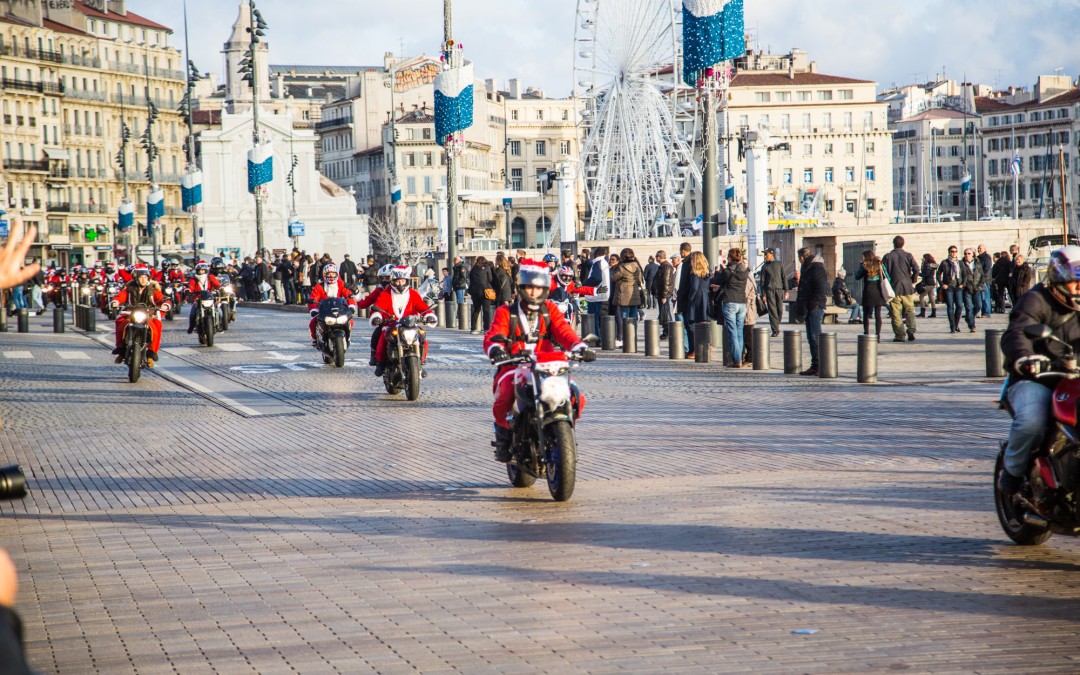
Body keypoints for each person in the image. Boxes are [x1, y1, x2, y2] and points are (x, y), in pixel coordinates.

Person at [483, 259, 593, 462]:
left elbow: (564, 331)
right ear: (521, 287)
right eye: (529, 288)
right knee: (506, 393)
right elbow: (494, 334)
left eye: (538, 288)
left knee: (578, 396)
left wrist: (579, 347)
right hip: (515, 363)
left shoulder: (550, 308)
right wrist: (496, 349)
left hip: (549, 363)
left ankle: (565, 431)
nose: (534, 292)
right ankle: (504, 438)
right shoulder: (506, 312)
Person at [997, 246, 1080, 497]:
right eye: (1076, 283)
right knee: (1032, 420)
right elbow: (1018, 332)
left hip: (1074, 379)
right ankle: (1011, 472)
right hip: (1037, 379)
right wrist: (1026, 357)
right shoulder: (1036, 299)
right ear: (1059, 280)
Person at [370, 266, 437, 377]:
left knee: (422, 336)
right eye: (397, 281)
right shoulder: (386, 293)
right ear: (392, 281)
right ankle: (380, 363)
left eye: (402, 281)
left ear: (407, 281)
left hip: (410, 324)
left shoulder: (413, 294)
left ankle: (420, 363)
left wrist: (429, 315)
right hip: (391, 324)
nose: (400, 284)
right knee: (382, 337)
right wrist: (377, 316)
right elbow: (378, 306)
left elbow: (422, 306)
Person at [111, 264, 169, 368]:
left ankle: (151, 353)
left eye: (145, 277)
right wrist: (115, 302)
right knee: (120, 322)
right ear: (136, 278)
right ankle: (121, 349)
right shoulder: (129, 289)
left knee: (156, 326)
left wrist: (165, 304)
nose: (143, 279)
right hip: (131, 314)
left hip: (148, 315)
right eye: (141, 277)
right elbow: (120, 297)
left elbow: (161, 299)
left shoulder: (153, 289)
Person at [711, 248, 749, 368]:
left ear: (730, 258)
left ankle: (737, 360)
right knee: (739, 332)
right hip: (742, 303)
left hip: (730, 302)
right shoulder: (745, 270)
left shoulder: (728, 271)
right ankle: (740, 358)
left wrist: (716, 271)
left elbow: (716, 280)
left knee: (732, 332)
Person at [793, 247, 828, 376]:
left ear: (802, 257)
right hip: (809, 306)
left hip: (815, 306)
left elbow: (821, 288)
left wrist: (813, 304)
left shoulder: (817, 268)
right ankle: (815, 365)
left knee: (815, 336)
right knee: (811, 336)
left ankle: (819, 365)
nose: (799, 261)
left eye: (799, 258)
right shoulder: (807, 267)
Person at [306, 262, 357, 347]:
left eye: (333, 274)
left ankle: (348, 336)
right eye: (328, 274)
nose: (331, 276)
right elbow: (313, 298)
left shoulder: (341, 284)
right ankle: (315, 339)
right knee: (313, 322)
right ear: (324, 275)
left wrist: (351, 306)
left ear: (337, 274)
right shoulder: (319, 286)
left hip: (340, 310)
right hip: (324, 310)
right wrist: (314, 310)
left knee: (350, 321)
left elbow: (349, 296)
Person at [882, 235, 920, 343]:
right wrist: (913, 279)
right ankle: (911, 329)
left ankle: (900, 334)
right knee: (909, 310)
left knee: (896, 312)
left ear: (893, 243)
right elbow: (916, 268)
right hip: (907, 287)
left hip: (894, 287)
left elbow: (884, 272)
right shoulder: (908, 255)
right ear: (903, 244)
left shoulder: (888, 256)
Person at [610, 248, 644, 344]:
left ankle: (626, 340)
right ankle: (633, 338)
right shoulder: (636, 266)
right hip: (634, 292)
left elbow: (613, 277)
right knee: (633, 317)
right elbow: (639, 279)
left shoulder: (621, 267)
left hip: (624, 293)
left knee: (624, 317)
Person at [682, 251, 711, 359]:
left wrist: (690, 298)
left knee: (692, 325)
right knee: (704, 324)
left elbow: (694, 287)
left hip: (696, 299)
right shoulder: (706, 273)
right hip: (704, 298)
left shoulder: (694, 274)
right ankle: (706, 348)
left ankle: (693, 350)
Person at [854, 251, 887, 342]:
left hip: (868, 291)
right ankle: (878, 335)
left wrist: (861, 267)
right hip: (878, 291)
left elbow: (857, 276)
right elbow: (886, 276)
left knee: (865, 314)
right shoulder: (879, 265)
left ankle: (866, 333)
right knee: (878, 314)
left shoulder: (864, 266)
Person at [185, 261, 222, 335]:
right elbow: (190, 287)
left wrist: (220, 288)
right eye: (199, 270)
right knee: (192, 314)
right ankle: (191, 327)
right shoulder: (194, 279)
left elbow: (217, 284)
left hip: (210, 298)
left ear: (206, 270)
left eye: (203, 270)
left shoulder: (210, 277)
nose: (201, 272)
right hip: (198, 299)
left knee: (220, 312)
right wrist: (188, 290)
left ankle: (219, 325)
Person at [759, 248, 788, 337]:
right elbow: (762, 282)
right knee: (772, 310)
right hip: (769, 290)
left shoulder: (779, 264)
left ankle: (776, 324)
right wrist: (763, 294)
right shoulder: (764, 267)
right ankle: (775, 329)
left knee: (779, 309)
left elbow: (784, 277)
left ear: (772, 254)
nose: (765, 256)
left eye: (766, 254)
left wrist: (786, 290)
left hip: (779, 289)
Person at [936, 246, 963, 333]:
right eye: (952, 251)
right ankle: (952, 326)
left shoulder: (960, 263)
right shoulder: (944, 262)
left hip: (958, 287)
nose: (953, 253)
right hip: (948, 287)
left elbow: (965, 275)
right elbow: (938, 274)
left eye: (955, 251)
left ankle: (956, 324)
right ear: (949, 252)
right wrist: (942, 284)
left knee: (959, 306)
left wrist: (963, 284)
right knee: (950, 307)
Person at [959, 247, 985, 333]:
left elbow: (982, 275)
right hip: (967, 288)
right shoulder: (961, 263)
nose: (967, 255)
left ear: (973, 254)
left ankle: (969, 317)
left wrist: (981, 285)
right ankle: (972, 325)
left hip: (977, 288)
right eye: (965, 254)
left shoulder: (977, 263)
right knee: (969, 307)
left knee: (978, 306)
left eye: (969, 253)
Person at [468, 256, 495, 333]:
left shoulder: (473, 269)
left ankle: (473, 329)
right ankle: (486, 329)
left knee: (476, 310)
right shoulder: (487, 268)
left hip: (475, 292)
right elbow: (490, 279)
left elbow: (470, 280)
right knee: (486, 311)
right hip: (485, 292)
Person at [652, 250, 675, 338]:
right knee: (664, 313)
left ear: (659, 257)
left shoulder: (666, 267)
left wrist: (664, 295)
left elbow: (666, 282)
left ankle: (668, 331)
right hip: (662, 294)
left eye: (656, 257)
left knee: (666, 313)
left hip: (664, 295)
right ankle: (667, 331)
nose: (655, 258)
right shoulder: (663, 266)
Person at [583, 248, 611, 319]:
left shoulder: (597, 263)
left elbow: (596, 278)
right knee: (602, 324)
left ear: (595, 254)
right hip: (603, 296)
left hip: (596, 297)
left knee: (594, 323)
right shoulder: (604, 262)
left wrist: (584, 284)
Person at [917, 253, 938, 318]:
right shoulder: (931, 265)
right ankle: (933, 313)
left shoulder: (927, 265)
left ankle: (922, 312)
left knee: (921, 296)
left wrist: (918, 273)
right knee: (931, 297)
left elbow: (925, 274)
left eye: (923, 258)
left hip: (928, 283)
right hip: (932, 283)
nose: (922, 259)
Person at [977, 244, 993, 318]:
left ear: (984, 249)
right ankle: (983, 312)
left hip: (985, 280)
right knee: (981, 297)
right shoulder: (978, 257)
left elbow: (987, 269)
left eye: (980, 248)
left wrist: (981, 277)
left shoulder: (986, 257)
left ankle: (986, 312)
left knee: (985, 297)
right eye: (978, 248)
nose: (979, 249)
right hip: (979, 280)